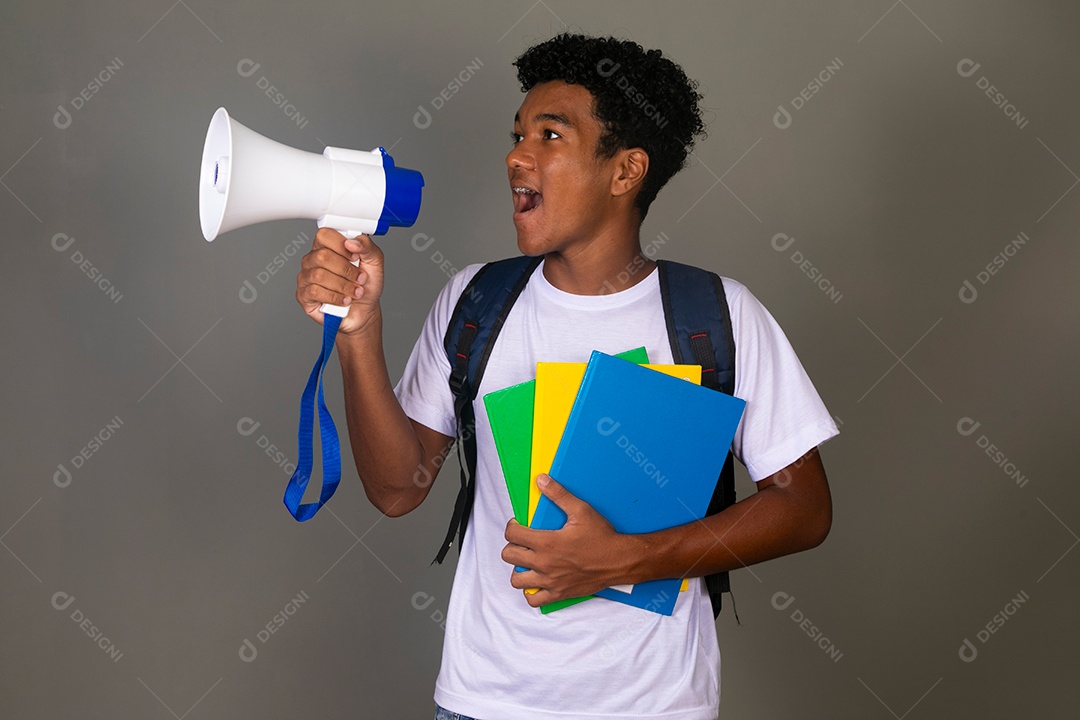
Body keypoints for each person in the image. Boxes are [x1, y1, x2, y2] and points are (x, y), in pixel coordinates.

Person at [296, 32, 837, 720]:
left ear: (625, 171)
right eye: (518, 133)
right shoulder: (476, 301)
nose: (515, 155)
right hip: (483, 704)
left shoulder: (716, 316)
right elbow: (398, 490)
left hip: (657, 708)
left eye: (550, 135)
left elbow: (804, 509)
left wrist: (624, 559)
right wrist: (359, 335)